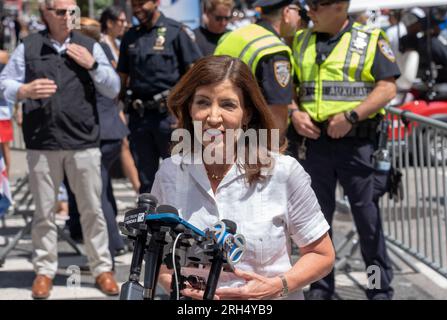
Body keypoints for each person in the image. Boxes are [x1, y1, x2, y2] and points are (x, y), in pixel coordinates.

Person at [152, 55, 335, 300]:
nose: (213, 117)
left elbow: (322, 255)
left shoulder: (283, 172)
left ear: (246, 114)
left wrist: (276, 286)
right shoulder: (169, 174)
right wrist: (180, 287)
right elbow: (160, 263)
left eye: (227, 105)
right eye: (203, 102)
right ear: (189, 108)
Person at [0, 0, 120, 299]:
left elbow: (113, 87)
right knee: (44, 213)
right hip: (43, 141)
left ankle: (102, 268)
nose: (68, 16)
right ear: (45, 14)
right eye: (60, 11)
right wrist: (23, 91)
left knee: (92, 210)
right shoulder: (29, 46)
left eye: (72, 11)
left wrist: (92, 66)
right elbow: (5, 82)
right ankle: (44, 270)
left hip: (83, 141)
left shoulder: (88, 46)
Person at [290, 0, 400, 300]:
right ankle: (321, 288)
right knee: (315, 224)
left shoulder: (370, 39)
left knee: (368, 223)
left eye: (316, 4)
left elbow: (388, 87)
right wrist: (294, 112)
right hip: (314, 144)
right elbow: (289, 87)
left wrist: (352, 117)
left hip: (356, 144)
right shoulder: (301, 39)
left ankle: (378, 288)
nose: (308, 10)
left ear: (339, 6)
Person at [117, 0, 203, 193]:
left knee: (179, 178)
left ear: (156, 2)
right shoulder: (130, 36)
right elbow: (121, 79)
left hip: (170, 118)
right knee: (147, 181)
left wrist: (185, 114)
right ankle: (150, 221)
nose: (138, 8)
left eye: (142, 3)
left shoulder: (176, 32)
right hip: (140, 119)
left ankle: (179, 221)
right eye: (134, 4)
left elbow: (195, 77)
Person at [64, 17, 130, 259]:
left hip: (98, 131)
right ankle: (114, 239)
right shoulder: (102, 50)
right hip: (111, 129)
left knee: (96, 192)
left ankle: (112, 244)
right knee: (104, 189)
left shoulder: (84, 54)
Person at [214, 0, 301, 133]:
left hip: (218, 126)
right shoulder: (274, 50)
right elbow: (277, 112)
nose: (300, 18)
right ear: (286, 13)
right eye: (298, 12)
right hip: (252, 138)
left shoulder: (231, 35)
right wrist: (275, 149)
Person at [100, 5, 141, 193]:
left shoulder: (117, 41)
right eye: (121, 21)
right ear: (109, 23)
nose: (125, 24)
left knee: (124, 144)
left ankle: (138, 188)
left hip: (120, 99)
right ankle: (139, 189)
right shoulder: (102, 43)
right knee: (123, 143)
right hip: (110, 102)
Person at [0, 50, 12, 177]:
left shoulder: (3, 56)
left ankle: (5, 182)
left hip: (2, 112)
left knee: (5, 148)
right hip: (3, 111)